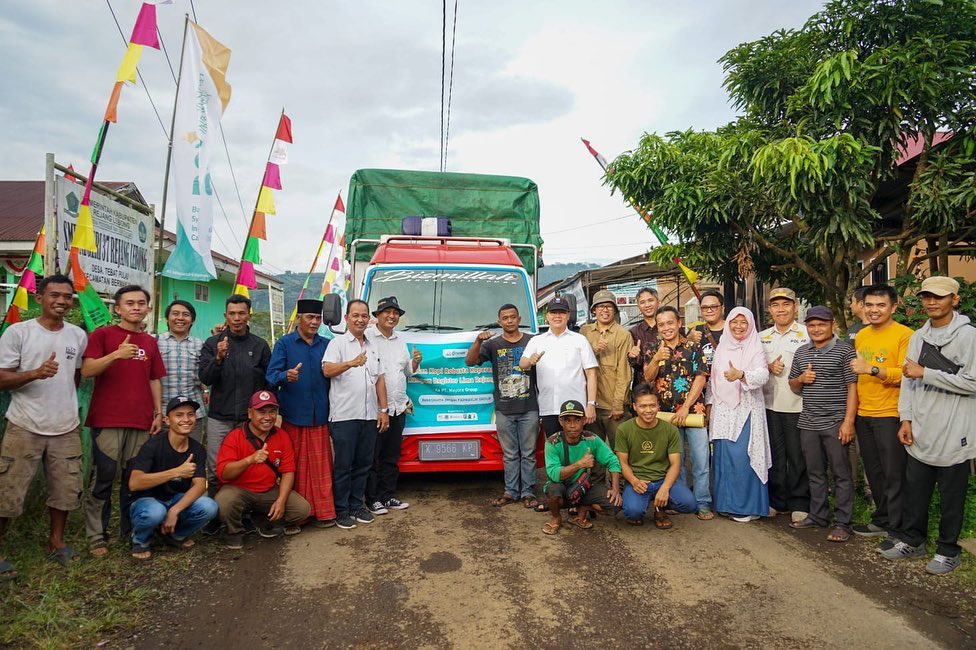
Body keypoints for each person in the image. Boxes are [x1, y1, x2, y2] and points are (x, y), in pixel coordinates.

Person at [883, 276, 976, 574]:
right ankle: (913, 539)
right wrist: (906, 419)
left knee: (951, 495)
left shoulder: (968, 337)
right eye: (927, 297)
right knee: (916, 490)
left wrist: (927, 373)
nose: (932, 302)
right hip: (921, 426)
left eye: (939, 297)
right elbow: (908, 382)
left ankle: (948, 550)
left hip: (953, 429)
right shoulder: (918, 337)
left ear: (954, 300)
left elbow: (972, 382)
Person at [0, 275, 88, 579]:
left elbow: (76, 376)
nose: (61, 301)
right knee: (8, 489)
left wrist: (65, 400)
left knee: (65, 489)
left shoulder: (77, 335)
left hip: (65, 425)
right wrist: (36, 373)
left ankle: (56, 543)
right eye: (55, 295)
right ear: (40, 297)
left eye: (67, 296)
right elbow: (1, 378)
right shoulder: (18, 332)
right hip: (24, 424)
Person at [82, 284, 165, 557]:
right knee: (103, 478)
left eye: (141, 303)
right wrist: (116, 354)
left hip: (141, 421)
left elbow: (154, 378)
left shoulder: (150, 342)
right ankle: (97, 535)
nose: (136, 307)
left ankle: (131, 531)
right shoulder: (103, 335)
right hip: (107, 419)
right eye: (129, 303)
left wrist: (158, 412)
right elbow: (87, 370)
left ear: (148, 308)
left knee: (133, 480)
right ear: (117, 308)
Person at [787, 306, 858, 542]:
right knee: (815, 472)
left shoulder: (844, 351)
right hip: (808, 421)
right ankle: (818, 515)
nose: (816, 329)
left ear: (832, 325)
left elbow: (852, 387)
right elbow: (793, 386)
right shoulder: (801, 352)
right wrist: (801, 379)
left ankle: (843, 523)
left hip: (836, 421)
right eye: (811, 325)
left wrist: (848, 422)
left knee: (841, 474)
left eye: (821, 324)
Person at [850, 283, 913, 541]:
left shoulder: (905, 335)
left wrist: (873, 369)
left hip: (890, 412)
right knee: (874, 472)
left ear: (894, 307)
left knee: (893, 473)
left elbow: (908, 374)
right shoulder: (863, 335)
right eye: (870, 305)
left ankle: (898, 528)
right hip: (864, 412)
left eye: (881, 305)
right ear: (863, 307)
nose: (874, 310)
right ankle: (883, 519)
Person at [266, 298, 335, 527]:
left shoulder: (327, 344)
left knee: (321, 467)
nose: (314, 322)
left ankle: (324, 512)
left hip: (321, 415)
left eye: (318, 318)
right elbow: (270, 375)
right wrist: (286, 375)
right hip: (294, 415)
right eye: (310, 317)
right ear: (299, 319)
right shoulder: (285, 344)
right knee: (294, 467)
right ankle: (299, 515)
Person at [322, 299, 389, 530]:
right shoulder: (337, 343)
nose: (360, 320)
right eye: (355, 315)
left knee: (364, 464)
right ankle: (341, 510)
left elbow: (380, 379)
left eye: (364, 315)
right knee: (344, 466)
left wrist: (383, 410)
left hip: (369, 415)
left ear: (369, 318)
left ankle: (356, 505)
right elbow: (327, 369)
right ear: (347, 318)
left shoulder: (373, 345)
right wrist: (351, 363)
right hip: (344, 416)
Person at [215, 390, 311, 549]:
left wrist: (280, 501)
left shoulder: (282, 435)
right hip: (239, 490)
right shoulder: (235, 436)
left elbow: (288, 471)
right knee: (224, 502)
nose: (267, 417)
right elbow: (224, 473)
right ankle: (234, 532)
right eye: (261, 411)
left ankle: (261, 519)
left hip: (268, 491)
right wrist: (249, 460)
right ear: (250, 413)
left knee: (302, 510)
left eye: (272, 411)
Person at [467, 304, 540, 509]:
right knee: (509, 455)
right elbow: (470, 361)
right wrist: (477, 341)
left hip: (529, 408)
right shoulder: (492, 344)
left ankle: (527, 492)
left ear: (519, 318)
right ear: (500, 322)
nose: (509, 321)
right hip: (504, 410)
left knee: (528, 454)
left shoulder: (531, 341)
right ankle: (510, 492)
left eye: (513, 317)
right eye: (505, 318)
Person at [126, 396, 218, 559]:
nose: (186, 419)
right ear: (167, 420)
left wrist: (175, 510)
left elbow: (199, 485)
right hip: (147, 500)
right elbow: (134, 482)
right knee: (155, 512)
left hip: (174, 499)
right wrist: (176, 472)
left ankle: (174, 535)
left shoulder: (196, 449)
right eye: (179, 415)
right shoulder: (153, 445)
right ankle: (140, 540)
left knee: (209, 506)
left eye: (190, 414)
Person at [644, 306, 713, 520]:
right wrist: (656, 359)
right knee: (676, 460)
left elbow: (701, 378)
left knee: (701, 459)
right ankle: (681, 500)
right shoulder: (653, 347)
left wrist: (685, 406)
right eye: (662, 324)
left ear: (679, 323)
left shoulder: (693, 347)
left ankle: (703, 502)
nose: (666, 328)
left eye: (670, 323)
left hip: (693, 412)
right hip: (665, 415)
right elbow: (647, 378)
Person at [199, 294, 272, 496]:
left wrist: (264, 414)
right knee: (216, 469)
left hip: (248, 421)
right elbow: (205, 377)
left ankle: (243, 513)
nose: (237, 318)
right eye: (232, 313)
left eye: (241, 313)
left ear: (249, 316)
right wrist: (218, 358)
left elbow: (268, 383)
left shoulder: (260, 346)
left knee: (249, 467)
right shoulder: (213, 343)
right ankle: (214, 518)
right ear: (226, 316)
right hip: (219, 417)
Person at [709, 307, 771, 522]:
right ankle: (726, 504)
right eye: (734, 322)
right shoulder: (722, 347)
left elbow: (763, 375)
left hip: (747, 408)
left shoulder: (755, 346)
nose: (738, 326)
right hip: (723, 410)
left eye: (743, 322)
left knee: (744, 456)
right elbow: (712, 381)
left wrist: (741, 374)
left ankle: (747, 506)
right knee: (724, 457)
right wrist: (709, 408)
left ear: (751, 325)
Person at [759, 287, 811, 524]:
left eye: (786, 304)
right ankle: (778, 500)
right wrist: (769, 367)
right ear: (770, 309)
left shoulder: (807, 333)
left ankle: (800, 501)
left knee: (798, 456)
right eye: (776, 305)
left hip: (797, 404)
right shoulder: (762, 336)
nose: (781, 309)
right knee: (776, 456)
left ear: (795, 306)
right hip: (769, 405)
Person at [365, 296, 421, 515]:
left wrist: (415, 361)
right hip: (376, 410)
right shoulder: (368, 338)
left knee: (391, 456)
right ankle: (372, 499)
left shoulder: (400, 341)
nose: (392, 316)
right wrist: (382, 409)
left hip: (398, 408)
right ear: (377, 316)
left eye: (395, 313)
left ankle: (387, 496)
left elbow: (406, 371)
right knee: (372, 456)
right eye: (387, 312)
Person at [615, 385, 696, 528]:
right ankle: (640, 504)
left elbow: (675, 464)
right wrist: (634, 481)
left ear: (658, 406)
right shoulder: (624, 429)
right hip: (639, 480)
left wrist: (665, 487)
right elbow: (622, 463)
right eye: (643, 406)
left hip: (662, 479)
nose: (648, 410)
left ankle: (660, 509)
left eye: (652, 405)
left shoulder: (670, 430)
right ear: (634, 406)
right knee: (633, 512)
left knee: (689, 504)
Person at [541, 400, 622, 535]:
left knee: (615, 505)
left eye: (577, 420)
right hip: (561, 485)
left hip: (582, 486)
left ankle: (582, 509)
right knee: (553, 491)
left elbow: (612, 461)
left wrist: (615, 489)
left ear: (584, 420)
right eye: (567, 420)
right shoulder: (552, 442)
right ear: (561, 421)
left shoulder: (592, 439)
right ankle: (556, 517)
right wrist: (580, 464)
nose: (573, 425)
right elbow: (554, 474)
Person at [520, 296, 598, 436]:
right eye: (553, 313)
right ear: (547, 316)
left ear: (568, 315)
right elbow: (522, 364)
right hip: (549, 407)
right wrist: (530, 361)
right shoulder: (537, 341)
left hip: (576, 407)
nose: (557, 316)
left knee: (578, 450)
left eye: (561, 313)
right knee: (554, 449)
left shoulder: (579, 340)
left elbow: (591, 373)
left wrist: (591, 403)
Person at [579, 290, 632, 469]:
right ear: (594, 310)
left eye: (609, 306)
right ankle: (598, 489)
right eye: (601, 306)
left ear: (615, 310)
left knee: (620, 451)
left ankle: (623, 488)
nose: (605, 310)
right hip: (591, 405)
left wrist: (618, 403)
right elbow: (577, 363)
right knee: (593, 451)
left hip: (612, 405)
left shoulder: (623, 335)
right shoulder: (585, 332)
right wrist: (594, 349)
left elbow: (624, 372)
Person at [157, 300, 206, 440]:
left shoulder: (200, 344)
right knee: (161, 458)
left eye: (186, 314)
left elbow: (203, 374)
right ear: (167, 318)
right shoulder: (155, 341)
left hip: (192, 415)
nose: (180, 318)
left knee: (192, 455)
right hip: (163, 413)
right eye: (175, 314)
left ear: (192, 321)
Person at [628, 287, 662, 395]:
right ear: (638, 306)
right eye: (642, 302)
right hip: (643, 389)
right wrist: (633, 356)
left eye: (650, 300)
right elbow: (634, 364)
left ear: (658, 302)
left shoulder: (669, 327)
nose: (647, 305)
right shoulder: (633, 332)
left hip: (668, 386)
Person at [690, 290, 726, 368]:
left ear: (722, 308)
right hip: (703, 378)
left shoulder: (733, 329)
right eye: (704, 307)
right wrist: (688, 340)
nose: (709, 311)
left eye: (714, 307)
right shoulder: (695, 331)